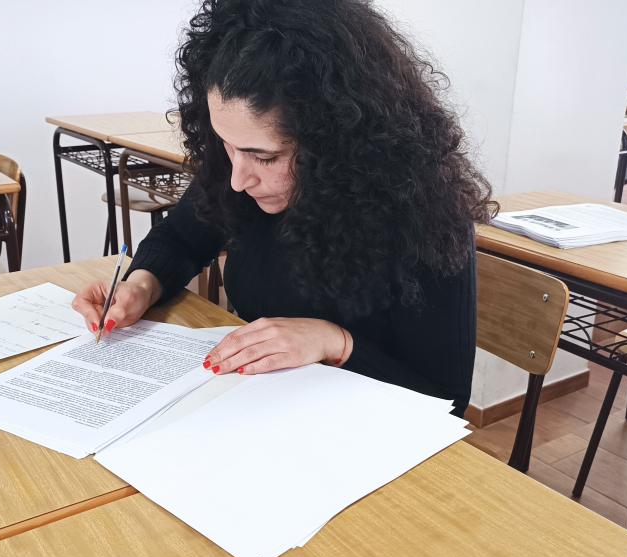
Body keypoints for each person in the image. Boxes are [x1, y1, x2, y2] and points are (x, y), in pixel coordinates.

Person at [73, 0, 495, 416]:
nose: (239, 178)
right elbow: (181, 237)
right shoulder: (239, 169)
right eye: (227, 145)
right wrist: (142, 285)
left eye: (266, 157)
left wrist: (336, 343)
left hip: (362, 438)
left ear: (334, 143)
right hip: (262, 412)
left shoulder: (426, 218)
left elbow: (446, 399)